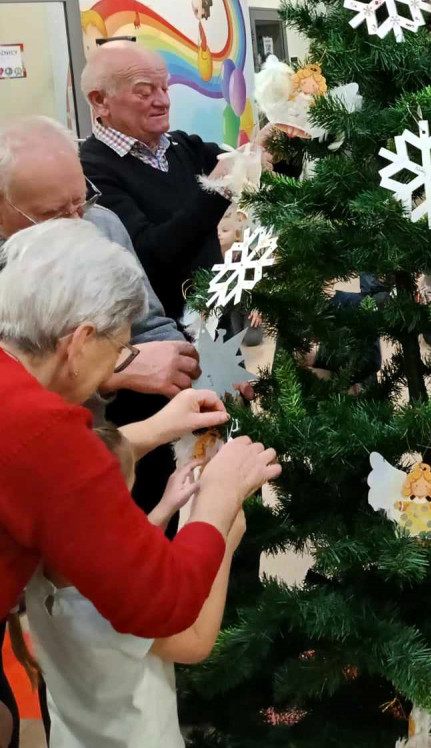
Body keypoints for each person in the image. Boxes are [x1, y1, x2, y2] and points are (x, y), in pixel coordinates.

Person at [0, 218, 280, 636]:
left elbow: (38, 476)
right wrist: (217, 500)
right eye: (120, 349)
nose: (119, 361)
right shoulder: (49, 430)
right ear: (79, 343)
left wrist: (156, 428)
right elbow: (161, 605)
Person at [0, 116, 201, 531]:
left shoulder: (102, 223)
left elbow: (149, 323)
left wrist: (202, 375)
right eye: (54, 213)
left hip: (125, 444)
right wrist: (116, 369)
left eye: (81, 200)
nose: (76, 222)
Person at [26, 425, 245, 748]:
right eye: (123, 505)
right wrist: (224, 531)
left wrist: (163, 509)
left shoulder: (37, 570)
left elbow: (111, 549)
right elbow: (196, 640)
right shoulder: (113, 605)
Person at [78, 42, 236, 321]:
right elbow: (148, 255)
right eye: (144, 92)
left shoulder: (182, 146)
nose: (163, 101)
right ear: (100, 101)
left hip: (217, 324)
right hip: (159, 340)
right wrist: (218, 187)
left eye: (164, 88)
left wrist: (281, 141)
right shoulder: (88, 172)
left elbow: (267, 170)